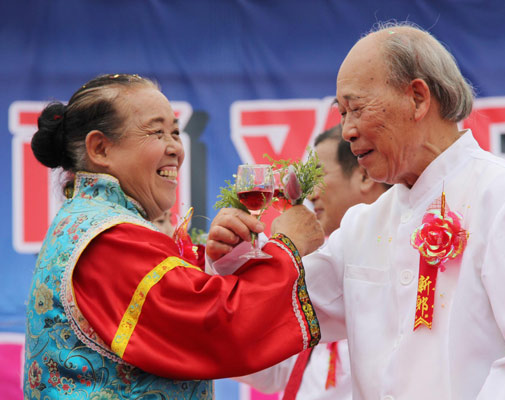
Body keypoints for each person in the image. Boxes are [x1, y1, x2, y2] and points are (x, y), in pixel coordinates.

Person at [214, 23, 505, 399]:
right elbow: (286, 310)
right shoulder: (363, 225)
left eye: (356, 108)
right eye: (341, 113)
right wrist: (240, 254)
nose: (347, 130)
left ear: (417, 98)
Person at [24, 73, 324, 399]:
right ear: (100, 148)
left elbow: (175, 301)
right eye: (156, 132)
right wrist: (288, 248)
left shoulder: (93, 223)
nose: (176, 149)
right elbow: (211, 326)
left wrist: (217, 258)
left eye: (176, 132)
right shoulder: (108, 240)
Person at [236, 125, 390, 399]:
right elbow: (275, 370)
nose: (309, 194)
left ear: (365, 176)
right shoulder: (321, 261)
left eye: (318, 176)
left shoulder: (398, 262)